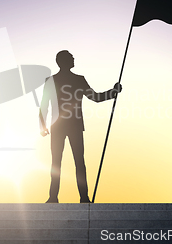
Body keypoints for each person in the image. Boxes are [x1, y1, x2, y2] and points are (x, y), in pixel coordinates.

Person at [39, 50, 122, 203]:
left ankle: (64, 197)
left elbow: (94, 97)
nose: (73, 58)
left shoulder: (65, 80)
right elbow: (95, 98)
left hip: (64, 126)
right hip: (69, 126)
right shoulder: (73, 80)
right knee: (73, 162)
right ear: (64, 61)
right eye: (71, 57)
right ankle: (75, 197)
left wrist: (113, 92)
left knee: (63, 162)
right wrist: (113, 92)